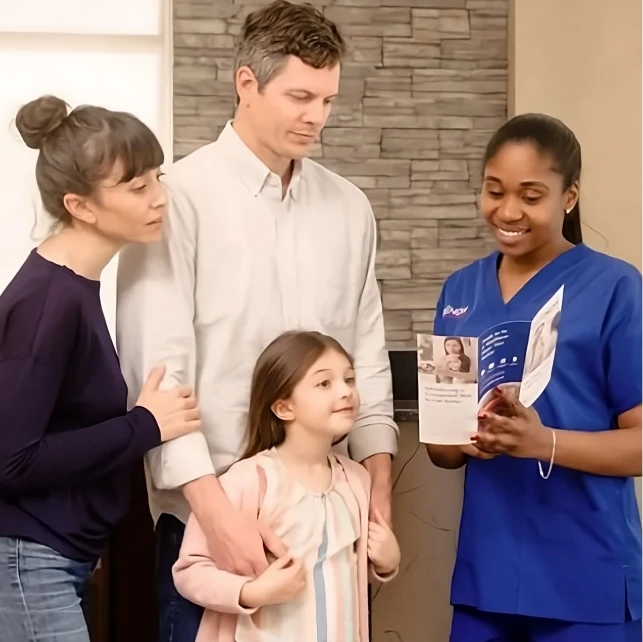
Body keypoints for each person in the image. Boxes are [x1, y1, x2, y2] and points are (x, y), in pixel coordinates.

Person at [115, 1, 398, 639]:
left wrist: (377, 496)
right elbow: (158, 378)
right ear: (247, 82)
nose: (317, 117)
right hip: (210, 526)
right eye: (300, 96)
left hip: (331, 528)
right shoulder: (175, 201)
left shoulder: (349, 209)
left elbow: (369, 363)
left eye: (327, 99)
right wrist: (218, 518)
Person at [427, 112, 643, 642]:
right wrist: (470, 437)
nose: (507, 211)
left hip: (588, 578)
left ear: (568, 197)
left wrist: (538, 441)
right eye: (493, 191)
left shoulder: (616, 287)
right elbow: (441, 448)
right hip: (487, 577)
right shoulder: (459, 292)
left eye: (530, 195)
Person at [0, 95, 201, 642]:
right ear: (80, 206)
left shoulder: (73, 287)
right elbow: (10, 459)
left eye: (157, 177)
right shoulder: (48, 301)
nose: (160, 198)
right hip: (27, 560)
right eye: (138, 188)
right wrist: (146, 425)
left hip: (51, 557)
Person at [172, 330, 400, 642]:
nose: (346, 392)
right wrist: (251, 592)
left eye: (349, 379)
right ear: (283, 408)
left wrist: (386, 563)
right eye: (324, 383)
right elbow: (190, 572)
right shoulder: (246, 481)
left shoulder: (357, 481)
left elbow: (346, 574)